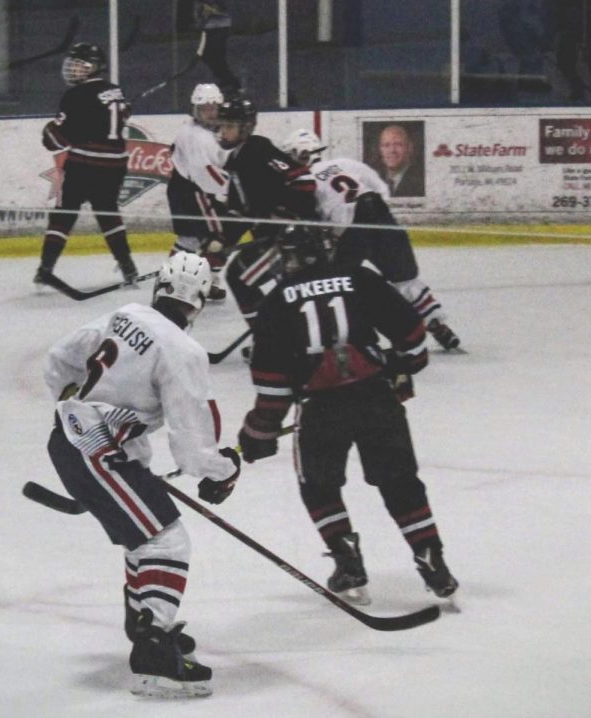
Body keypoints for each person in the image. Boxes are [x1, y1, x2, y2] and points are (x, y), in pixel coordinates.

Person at [43, 252, 241, 698]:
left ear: (160, 288)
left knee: (144, 534)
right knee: (166, 539)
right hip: (94, 448)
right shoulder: (184, 351)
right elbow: (193, 450)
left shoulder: (125, 314)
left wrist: (80, 414)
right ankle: (153, 650)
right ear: (201, 302)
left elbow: (60, 360)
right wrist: (224, 469)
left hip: (74, 440)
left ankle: (145, 623)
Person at [236, 224, 459, 606]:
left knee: (319, 487)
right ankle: (431, 558)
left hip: (320, 410)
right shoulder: (358, 278)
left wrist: (257, 434)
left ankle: (347, 560)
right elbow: (412, 336)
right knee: (400, 482)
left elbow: (273, 388)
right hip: (376, 399)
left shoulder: (276, 302)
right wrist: (399, 367)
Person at [280, 128, 461, 352]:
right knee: (404, 279)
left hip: (351, 231)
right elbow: (381, 189)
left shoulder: (306, 181)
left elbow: (314, 220)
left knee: (337, 284)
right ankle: (439, 326)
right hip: (380, 216)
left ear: (299, 155)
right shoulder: (345, 163)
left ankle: (342, 335)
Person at [35, 43, 139, 286]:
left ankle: (45, 268)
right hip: (115, 164)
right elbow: (115, 118)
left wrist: (48, 132)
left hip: (85, 163)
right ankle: (128, 266)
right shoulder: (115, 90)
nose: (72, 69)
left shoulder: (75, 95)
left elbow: (57, 140)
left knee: (65, 213)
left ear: (92, 67)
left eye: (78, 65)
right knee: (108, 212)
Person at [213, 97, 317, 328]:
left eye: (229, 126)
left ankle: (267, 338)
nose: (223, 131)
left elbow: (304, 180)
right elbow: (239, 214)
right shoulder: (236, 160)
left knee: (240, 278)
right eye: (222, 125)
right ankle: (277, 337)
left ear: (246, 128)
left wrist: (287, 219)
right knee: (283, 292)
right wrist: (222, 243)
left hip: (291, 241)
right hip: (272, 239)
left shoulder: (258, 148)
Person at [167, 82, 234, 300]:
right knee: (219, 236)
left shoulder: (198, 131)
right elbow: (205, 176)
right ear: (195, 111)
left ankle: (169, 278)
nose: (210, 113)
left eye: (213, 108)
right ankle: (209, 281)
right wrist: (232, 190)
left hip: (184, 189)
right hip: (195, 192)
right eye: (205, 109)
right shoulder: (198, 137)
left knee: (188, 239)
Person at [551, 0, 591, 103]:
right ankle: (577, 87)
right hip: (569, 26)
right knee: (564, 58)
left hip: (589, 26)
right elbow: (558, 10)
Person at [374, 124, 425, 197]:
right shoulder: (374, 180)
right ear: (380, 149)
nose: (392, 150)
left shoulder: (422, 182)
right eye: (386, 145)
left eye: (398, 144)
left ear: (409, 148)